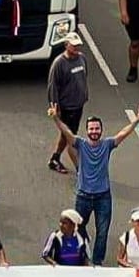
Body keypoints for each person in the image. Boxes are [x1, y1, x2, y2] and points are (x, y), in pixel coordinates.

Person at [50, 106, 139, 265]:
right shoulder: (80, 144)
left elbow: (123, 133)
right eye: (91, 128)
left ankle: (97, 261)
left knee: (102, 232)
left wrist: (136, 120)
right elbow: (66, 132)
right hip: (83, 196)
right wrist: (55, 118)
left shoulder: (107, 144)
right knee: (78, 228)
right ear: (87, 130)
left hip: (103, 196)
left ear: (101, 130)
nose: (94, 131)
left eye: (97, 128)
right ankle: (84, 254)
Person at [46, 31, 89, 173]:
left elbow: (84, 76)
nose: (77, 48)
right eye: (74, 46)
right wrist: (55, 106)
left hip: (78, 104)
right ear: (66, 45)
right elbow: (53, 86)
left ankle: (55, 158)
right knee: (72, 137)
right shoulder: (59, 63)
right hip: (67, 106)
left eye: (78, 46)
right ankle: (80, 169)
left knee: (66, 134)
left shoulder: (82, 58)